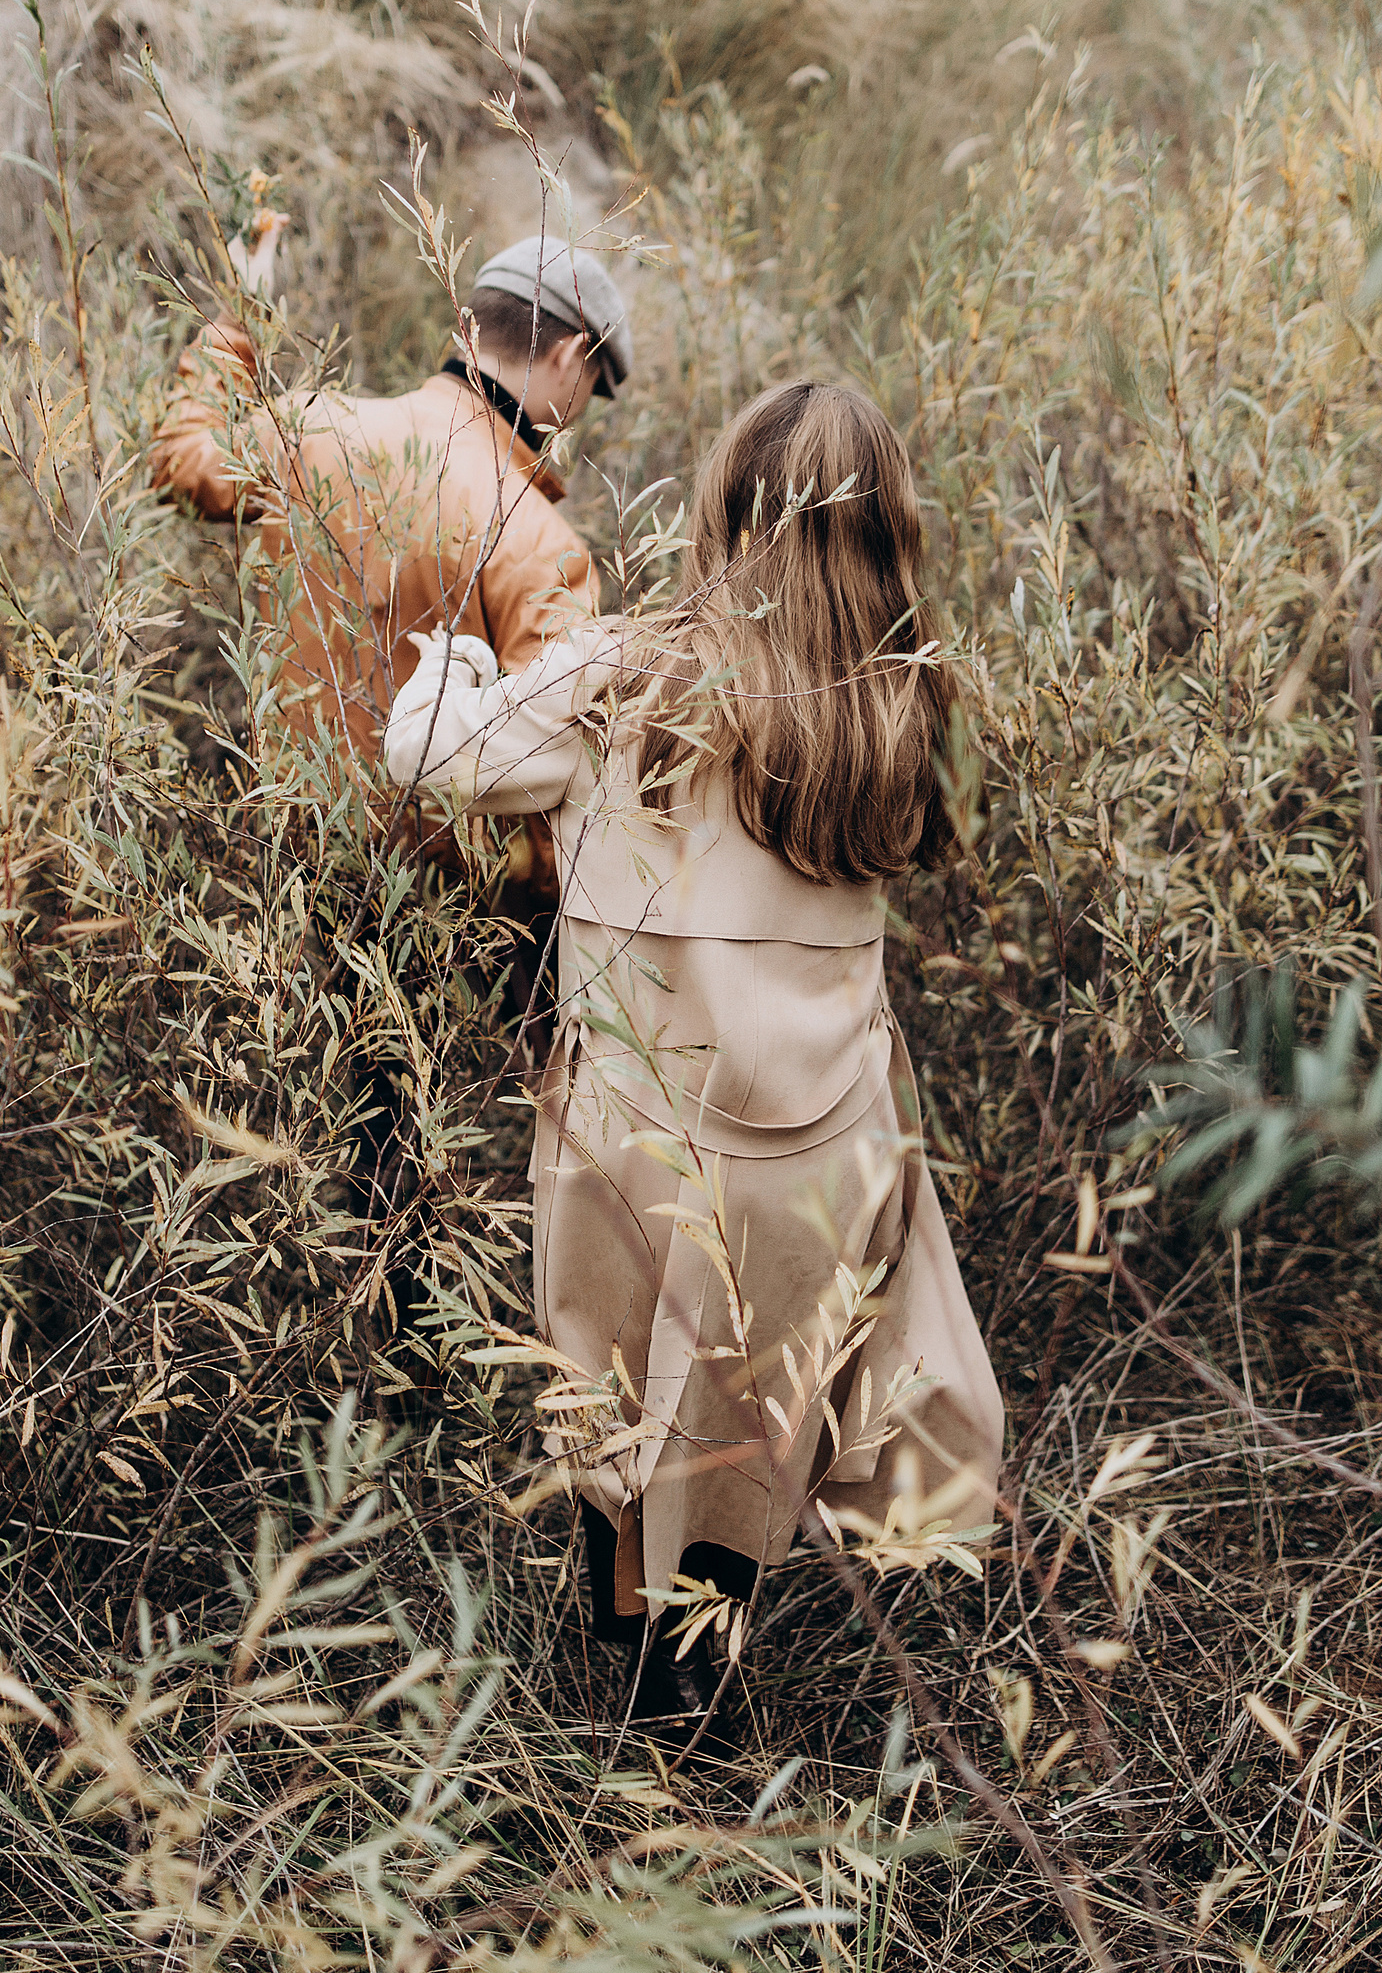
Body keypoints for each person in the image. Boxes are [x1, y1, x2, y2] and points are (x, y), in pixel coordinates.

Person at [383, 381, 1005, 1738]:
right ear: (887, 535)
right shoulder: (909, 701)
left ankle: (635, 1718)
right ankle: (687, 1705)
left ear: (722, 509)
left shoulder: (627, 676)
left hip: (632, 1141)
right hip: (816, 1158)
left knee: (609, 1405)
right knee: (737, 1440)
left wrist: (459, 670)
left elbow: (426, 756)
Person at [150, 215, 634, 887]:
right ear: (569, 353)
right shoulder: (535, 539)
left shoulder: (309, 429)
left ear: (467, 331)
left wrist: (240, 322)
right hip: (451, 925)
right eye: (595, 385)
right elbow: (558, 778)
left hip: (290, 872)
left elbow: (179, 461)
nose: (582, 408)